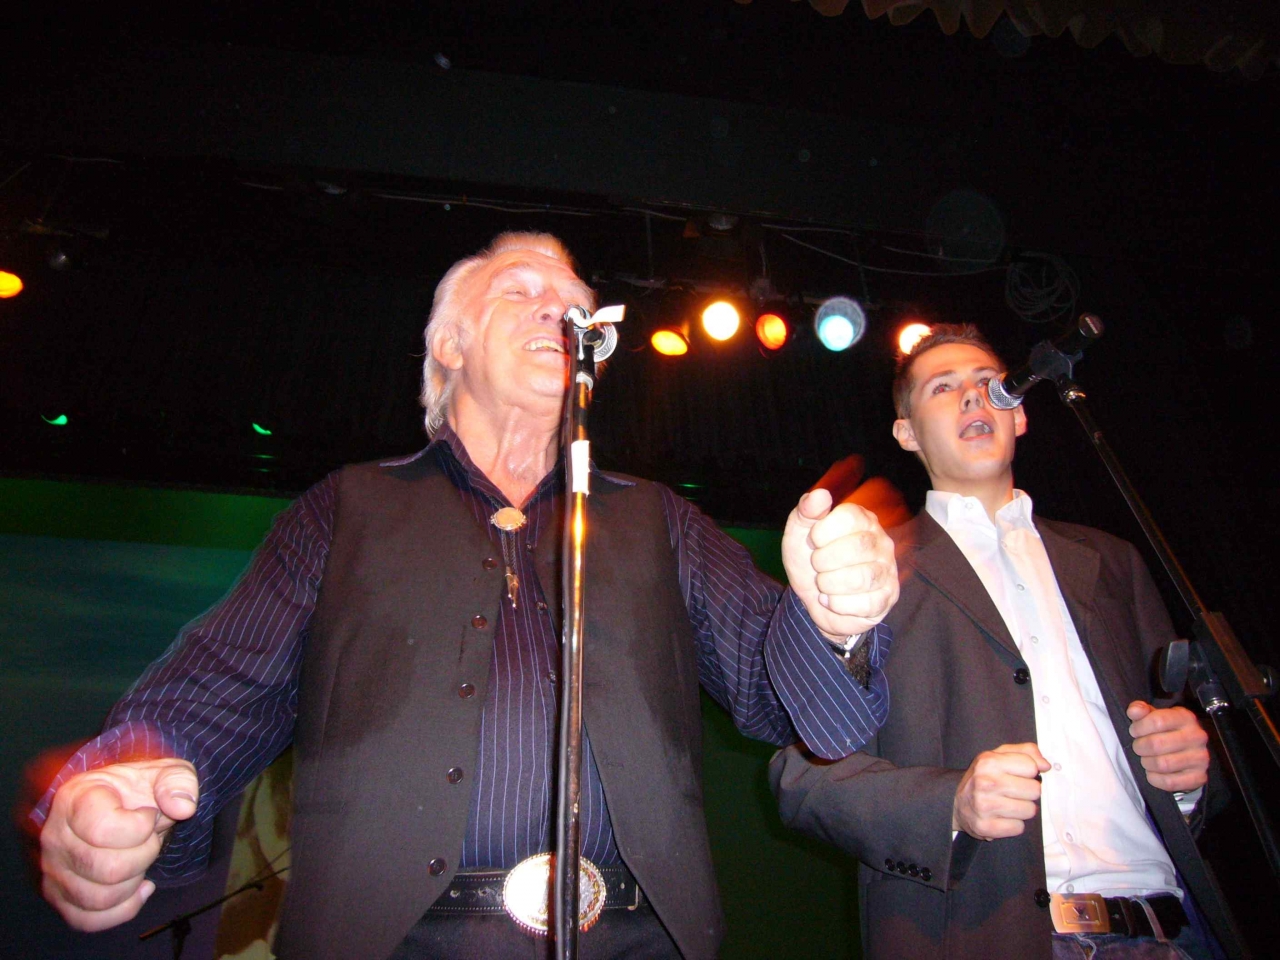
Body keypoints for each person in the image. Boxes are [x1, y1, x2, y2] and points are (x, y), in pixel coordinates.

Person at [32, 232, 899, 960]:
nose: (557, 311)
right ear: (448, 344)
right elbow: (219, 688)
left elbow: (779, 691)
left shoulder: (660, 519)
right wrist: (127, 780)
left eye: (575, 302)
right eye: (521, 291)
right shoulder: (347, 509)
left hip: (642, 942)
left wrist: (835, 623)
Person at [767, 324, 1247, 960]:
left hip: (1170, 934)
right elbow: (803, 779)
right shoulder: (867, 574)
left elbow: (1194, 757)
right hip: (986, 935)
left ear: (1018, 414)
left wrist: (1188, 775)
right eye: (944, 388)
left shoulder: (1112, 562)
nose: (973, 396)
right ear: (907, 433)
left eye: (988, 383)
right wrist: (950, 806)